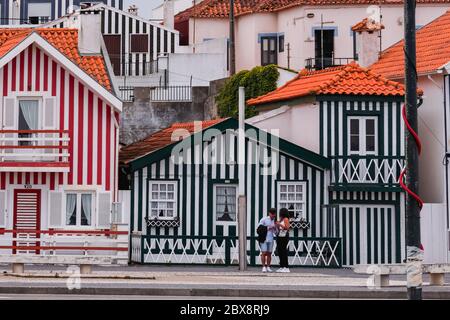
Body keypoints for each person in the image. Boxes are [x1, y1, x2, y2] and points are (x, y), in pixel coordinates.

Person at [258, 208, 277, 272]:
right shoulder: (264, 219)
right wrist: (268, 227)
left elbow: (276, 232)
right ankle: (263, 267)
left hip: (271, 238)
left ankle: (268, 266)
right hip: (264, 238)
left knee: (269, 253)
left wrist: (275, 229)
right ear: (269, 213)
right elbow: (259, 228)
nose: (273, 216)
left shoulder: (275, 220)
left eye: (274, 215)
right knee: (263, 252)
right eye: (272, 215)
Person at [276, 208, 290, 273]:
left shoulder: (286, 219)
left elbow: (287, 227)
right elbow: (280, 228)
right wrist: (277, 226)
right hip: (280, 236)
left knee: (283, 251)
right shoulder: (281, 219)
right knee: (280, 251)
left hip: (284, 236)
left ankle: (286, 267)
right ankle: (282, 266)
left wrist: (280, 224)